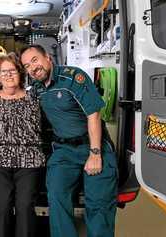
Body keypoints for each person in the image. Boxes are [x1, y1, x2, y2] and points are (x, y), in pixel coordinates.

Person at [20, 45, 118, 237]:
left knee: (98, 204)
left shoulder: (73, 77)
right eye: (26, 66)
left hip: (93, 145)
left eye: (35, 60)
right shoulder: (37, 90)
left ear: (48, 57)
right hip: (64, 151)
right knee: (56, 196)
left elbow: (94, 114)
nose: (32, 68)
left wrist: (95, 154)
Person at [0, 53, 45, 237]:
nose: (8, 75)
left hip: (29, 160)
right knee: (2, 203)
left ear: (20, 73)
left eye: (12, 70)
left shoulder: (34, 98)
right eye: (3, 72)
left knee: (24, 205)